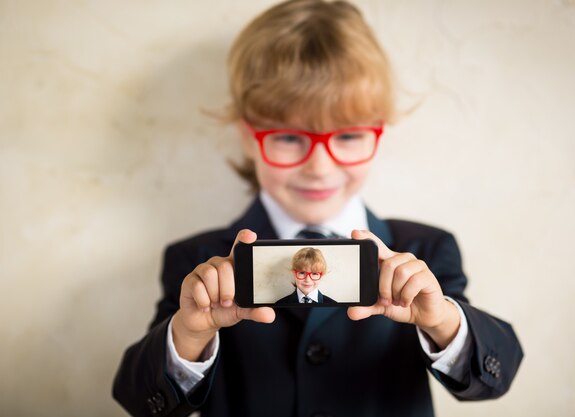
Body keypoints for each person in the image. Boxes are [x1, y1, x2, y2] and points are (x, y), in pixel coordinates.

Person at [113, 1, 523, 416]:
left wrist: (443, 323)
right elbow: (141, 402)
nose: (319, 167)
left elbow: (496, 374)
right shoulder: (197, 262)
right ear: (251, 138)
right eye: (289, 138)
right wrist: (187, 336)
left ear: (377, 132)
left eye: (347, 136)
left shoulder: (425, 249)